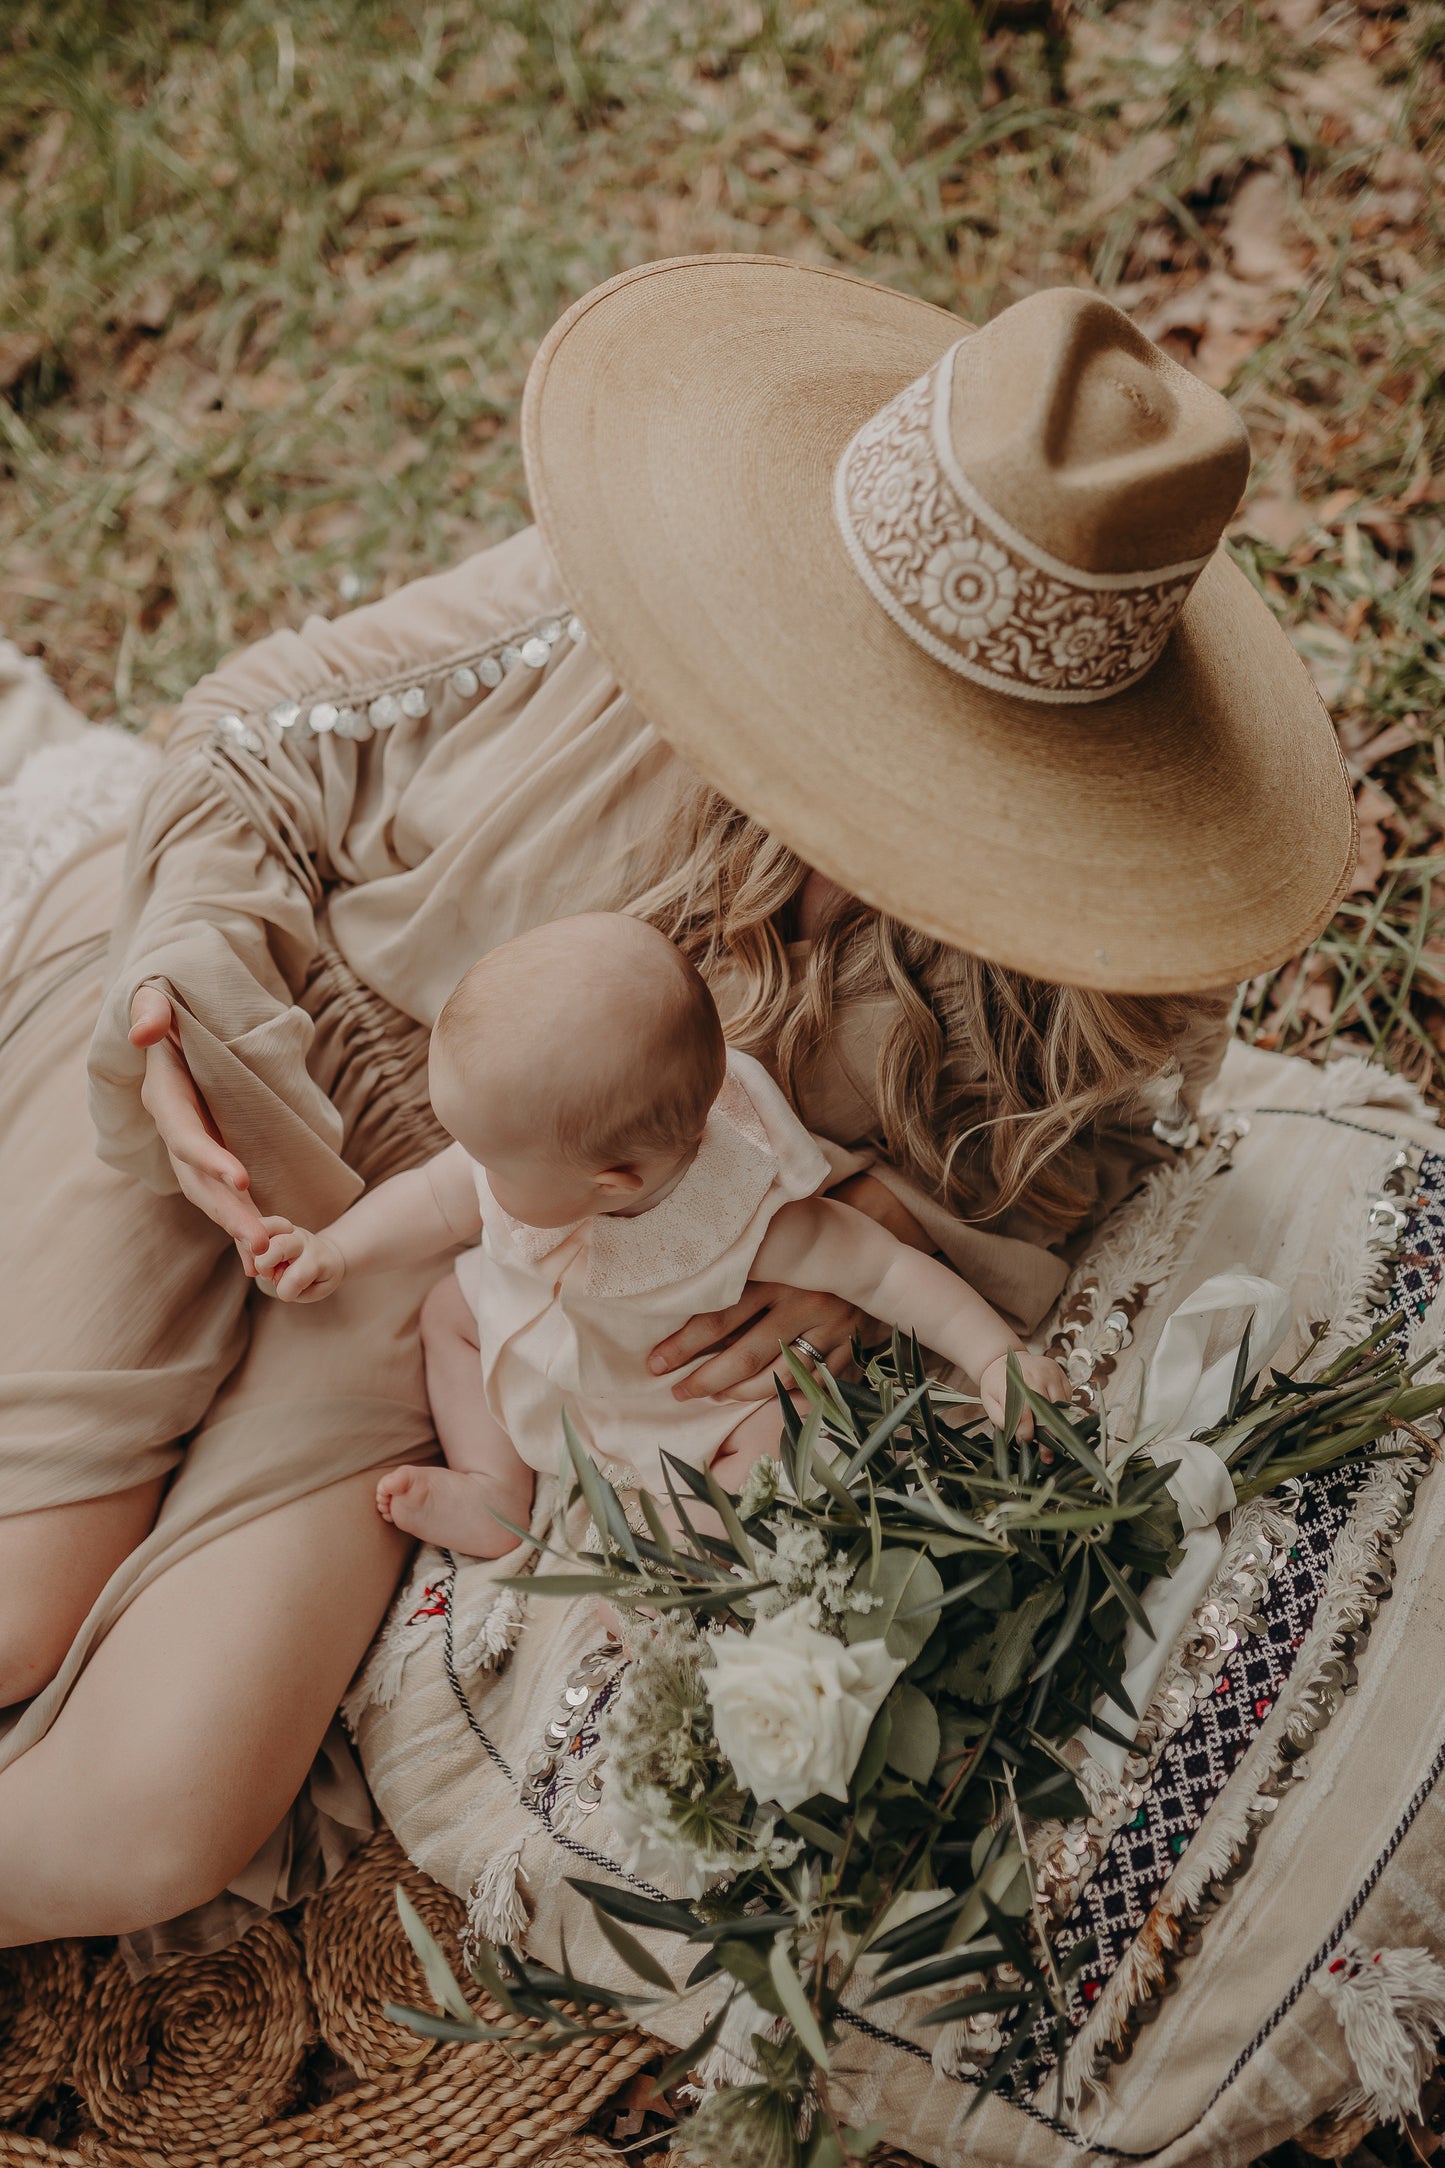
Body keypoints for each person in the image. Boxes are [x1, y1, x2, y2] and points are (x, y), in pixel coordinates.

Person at [0, 266, 1353, 1953]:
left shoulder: (1065, 971)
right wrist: (181, 969)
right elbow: (253, 739)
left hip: (467, 1258)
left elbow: (1033, 1207)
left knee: (152, 1813)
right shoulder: (639, 591)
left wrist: (866, 1254)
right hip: (252, 1038)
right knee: (18, 1592)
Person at [252, 914, 1069, 1557]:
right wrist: (337, 1249)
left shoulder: (744, 1213)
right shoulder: (541, 1142)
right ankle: (491, 1486)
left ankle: (673, 1549)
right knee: (446, 1311)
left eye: (492, 1163)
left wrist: (995, 1357)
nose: (473, 1173)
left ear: (614, 1183)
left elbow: (886, 1274)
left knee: (770, 1443)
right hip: (546, 1340)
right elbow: (430, 1200)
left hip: (677, 1398)